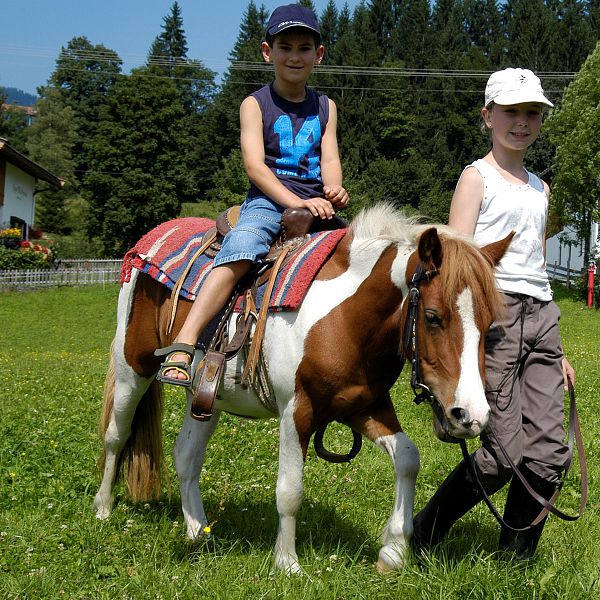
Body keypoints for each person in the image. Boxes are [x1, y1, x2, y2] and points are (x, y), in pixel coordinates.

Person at [412, 68, 575, 559]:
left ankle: (514, 556)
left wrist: (559, 352)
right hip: (494, 320)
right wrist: (467, 341)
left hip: (542, 319)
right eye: (511, 112)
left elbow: (538, 266)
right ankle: (425, 531)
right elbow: (454, 265)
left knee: (549, 452)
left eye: (532, 114)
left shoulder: (541, 189)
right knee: (503, 452)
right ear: (488, 116)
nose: (522, 123)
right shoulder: (475, 177)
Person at [155, 4, 349, 385]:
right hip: (267, 202)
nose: (295, 56)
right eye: (285, 47)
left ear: (318, 55)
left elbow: (330, 157)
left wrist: (335, 187)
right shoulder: (254, 104)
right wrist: (296, 201)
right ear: (267, 52)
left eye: (304, 48)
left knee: (359, 255)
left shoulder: (326, 106)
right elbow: (255, 167)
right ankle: (185, 339)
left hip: (317, 204)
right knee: (242, 247)